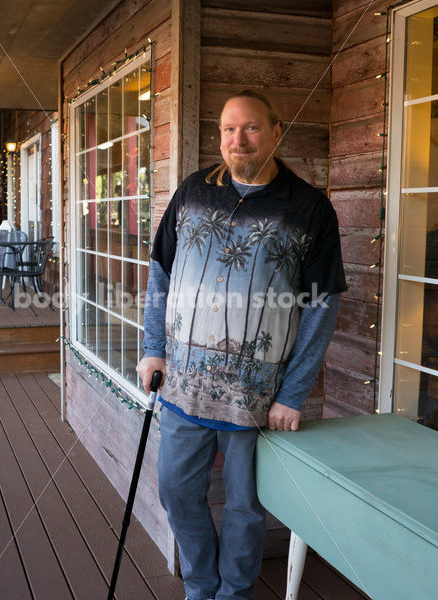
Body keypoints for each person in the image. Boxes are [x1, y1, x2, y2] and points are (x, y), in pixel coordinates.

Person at [136, 90, 347, 600]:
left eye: (251, 128)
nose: (238, 139)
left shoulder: (308, 208)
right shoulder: (193, 192)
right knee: (176, 493)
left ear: (276, 133)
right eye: (229, 129)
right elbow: (160, 273)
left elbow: (321, 306)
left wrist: (292, 393)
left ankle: (234, 593)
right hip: (183, 385)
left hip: (257, 395)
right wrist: (153, 347)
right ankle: (201, 587)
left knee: (246, 508)